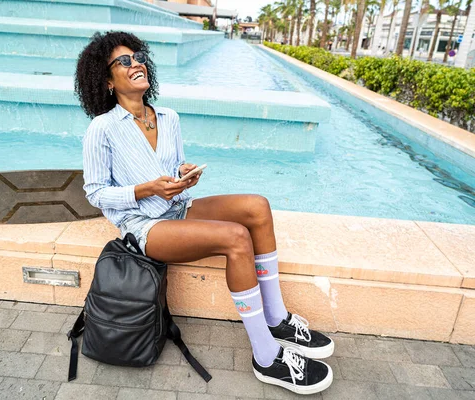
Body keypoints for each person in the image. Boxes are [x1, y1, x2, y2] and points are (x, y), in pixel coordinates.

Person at [76, 31, 334, 395]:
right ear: (106, 81)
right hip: (143, 227)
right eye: (124, 61)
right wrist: (148, 189)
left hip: (178, 209)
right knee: (235, 237)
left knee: (256, 206)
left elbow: (174, 164)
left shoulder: (168, 117)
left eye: (137, 57)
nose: (136, 63)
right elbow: (95, 194)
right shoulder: (101, 129)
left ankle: (276, 319)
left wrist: (184, 174)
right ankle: (266, 356)